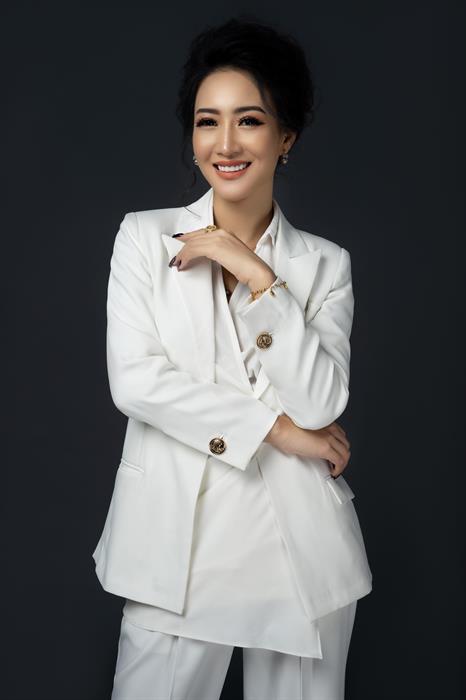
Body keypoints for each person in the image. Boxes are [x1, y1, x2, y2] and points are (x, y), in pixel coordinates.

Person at [93, 16, 373, 700]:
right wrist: (278, 432)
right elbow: (137, 382)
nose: (224, 144)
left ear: (285, 138)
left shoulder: (325, 265)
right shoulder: (144, 239)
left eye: (248, 121)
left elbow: (320, 402)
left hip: (300, 556)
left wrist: (256, 276)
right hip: (174, 550)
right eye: (206, 122)